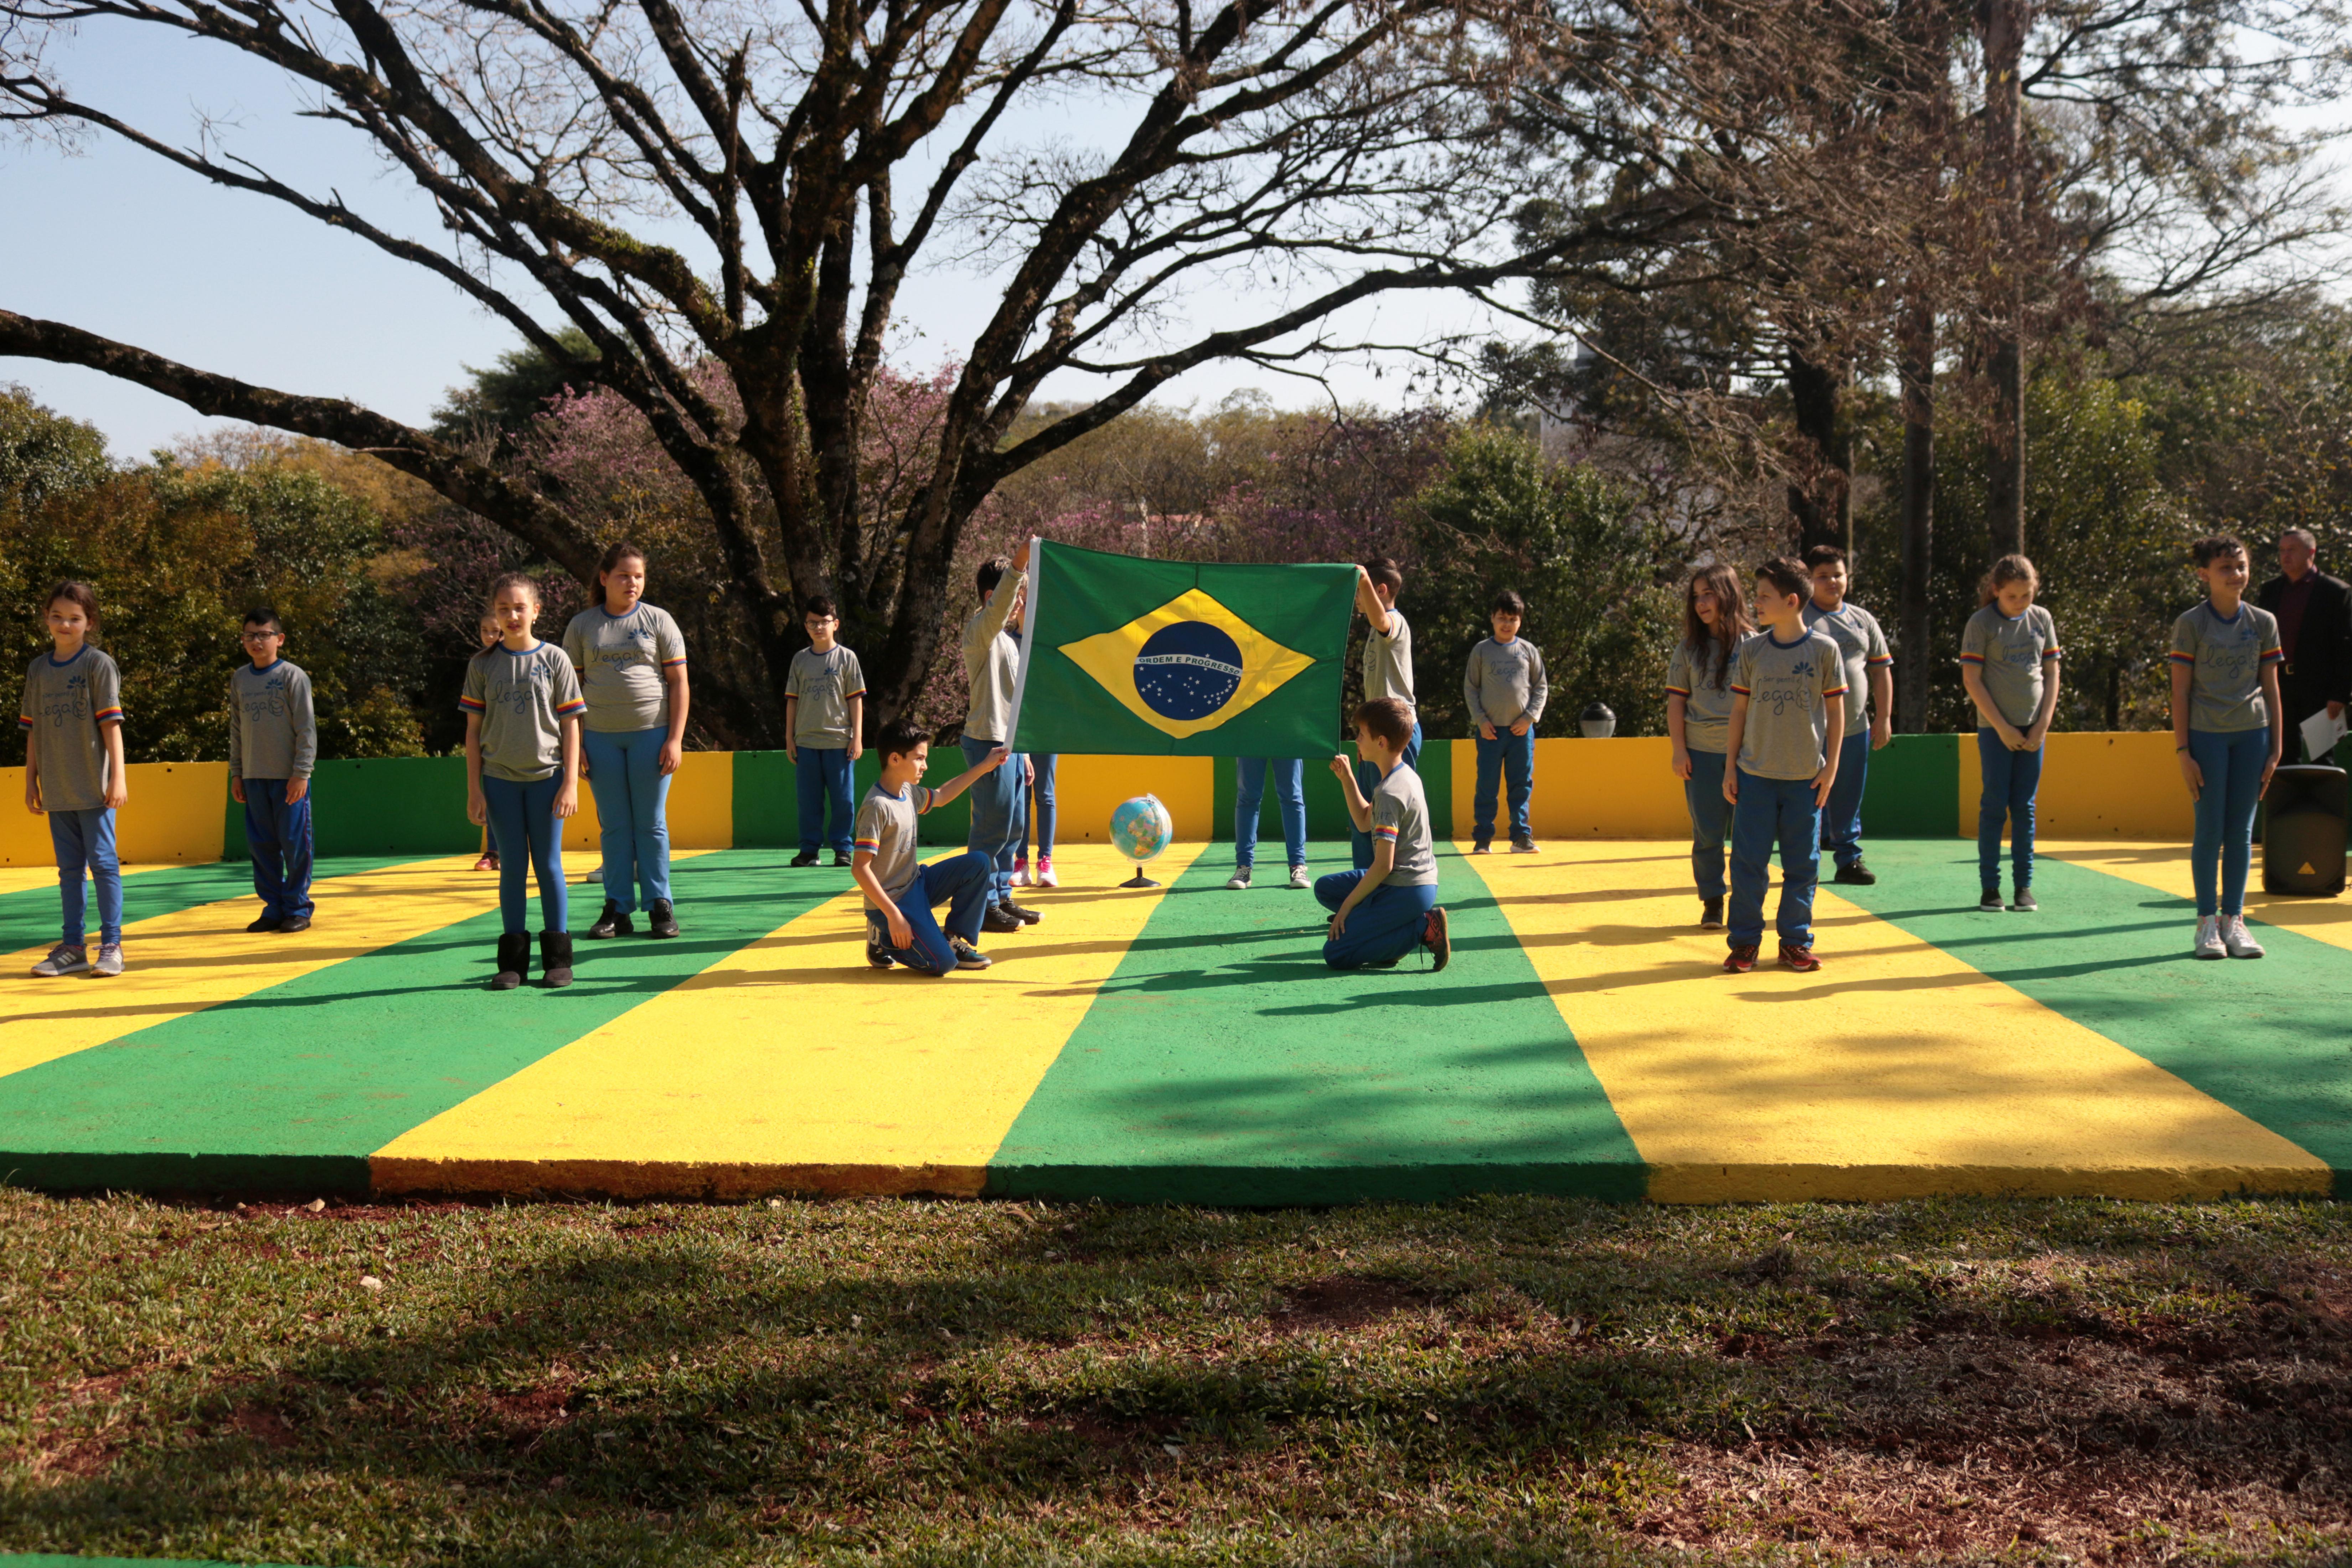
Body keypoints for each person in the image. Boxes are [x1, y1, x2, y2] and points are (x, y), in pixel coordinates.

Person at [1721, 557, 1846, 974]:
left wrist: (1831, 767)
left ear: (1792, 601)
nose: (1756, 603)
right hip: (1755, 777)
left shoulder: (1825, 650)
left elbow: (1837, 712)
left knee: (1803, 866)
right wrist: (1731, 767)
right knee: (1747, 864)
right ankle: (1744, 943)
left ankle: (1795, 942)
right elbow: (1739, 711)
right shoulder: (1752, 649)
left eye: (1764, 596)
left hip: (1805, 780)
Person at [466, 572, 587, 990]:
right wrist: (475, 789)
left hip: (548, 779)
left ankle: (558, 958)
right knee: (513, 867)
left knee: (549, 865)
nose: (512, 615)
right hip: (499, 780)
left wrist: (570, 783)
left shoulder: (555, 659)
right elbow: (473, 731)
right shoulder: (483, 664)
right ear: (495, 614)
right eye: (504, 609)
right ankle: (513, 963)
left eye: (520, 607)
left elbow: (571, 725)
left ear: (536, 610)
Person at [563, 542, 688, 940]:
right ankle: (617, 907)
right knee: (614, 825)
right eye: (623, 575)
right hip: (599, 739)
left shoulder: (659, 620)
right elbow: (569, 693)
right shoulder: (582, 625)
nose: (632, 582)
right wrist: (577, 746)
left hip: (653, 735)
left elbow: (679, 682)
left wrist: (675, 739)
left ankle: (660, 905)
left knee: (651, 823)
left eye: (638, 576)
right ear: (604, 579)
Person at [2172, 535, 2286, 961]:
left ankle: (2234, 921)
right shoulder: (2191, 623)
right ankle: (2206, 923)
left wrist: (2276, 746)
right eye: (2225, 568)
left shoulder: (2263, 621)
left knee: (2241, 832)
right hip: (2206, 737)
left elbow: (2271, 688)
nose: (2236, 574)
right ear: (2205, 575)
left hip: (2253, 736)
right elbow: (2180, 692)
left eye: (2241, 566)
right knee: (2210, 829)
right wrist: (2184, 752)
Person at [21, 582, 129, 979]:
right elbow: (33, 730)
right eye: (57, 617)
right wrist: (31, 781)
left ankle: (112, 945)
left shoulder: (97, 664)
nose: (65, 625)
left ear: (90, 622)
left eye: (75, 618)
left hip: (94, 788)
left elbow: (112, 724)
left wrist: (118, 777)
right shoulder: (38, 669)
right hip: (57, 787)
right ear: (46, 618)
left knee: (104, 864)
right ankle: (72, 948)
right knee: (69, 870)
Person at [853, 717, 1011, 974]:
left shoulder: (907, 791)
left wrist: (985, 766)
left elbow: (941, 796)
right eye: (919, 758)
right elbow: (860, 868)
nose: (925, 766)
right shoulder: (877, 806)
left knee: (979, 863)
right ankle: (883, 937)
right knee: (942, 964)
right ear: (895, 759)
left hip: (917, 884)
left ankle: (953, 938)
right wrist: (894, 917)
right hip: (893, 902)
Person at [1960, 555, 2061, 914]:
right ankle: (1991, 888)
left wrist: (2043, 723)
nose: (2020, 602)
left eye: (2027, 595)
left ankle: (2024, 887)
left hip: (2034, 730)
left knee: (2025, 807)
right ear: (1996, 591)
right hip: (1995, 730)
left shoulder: (2042, 618)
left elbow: (2052, 672)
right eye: (2012, 596)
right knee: (1994, 805)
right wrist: (2002, 727)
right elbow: (1971, 679)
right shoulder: (1981, 623)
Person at [1321, 698, 1450, 971]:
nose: (1357, 740)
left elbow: (1383, 866)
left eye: (1361, 735)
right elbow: (1363, 822)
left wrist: (1347, 907)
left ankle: (1423, 927)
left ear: (1381, 742)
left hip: (1407, 889)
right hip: (1406, 884)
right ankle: (1383, 931)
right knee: (1325, 889)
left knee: (1336, 954)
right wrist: (1348, 780)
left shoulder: (1391, 793)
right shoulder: (1402, 776)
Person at [1799, 545, 1893, 885]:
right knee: (1806, 798)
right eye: (1822, 576)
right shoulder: (1801, 620)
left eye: (1837, 575)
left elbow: (1881, 671)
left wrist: (1883, 718)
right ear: (1809, 581)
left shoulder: (1863, 620)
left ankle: (1849, 859)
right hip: (1810, 730)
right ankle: (1803, 864)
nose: (1832, 582)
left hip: (1855, 727)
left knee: (1849, 796)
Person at [1666, 562, 1750, 931]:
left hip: (1748, 757)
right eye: (1696, 596)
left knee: (1750, 836)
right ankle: (1713, 901)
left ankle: (1746, 902)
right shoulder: (1687, 649)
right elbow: (1676, 702)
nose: (1701, 603)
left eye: (1709, 594)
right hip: (1701, 755)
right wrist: (1679, 750)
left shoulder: (1755, 645)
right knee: (1708, 834)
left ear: (1728, 595)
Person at [227, 607, 317, 935]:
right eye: (250, 635)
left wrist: (302, 773)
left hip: (288, 779)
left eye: (264, 635)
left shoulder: (293, 676)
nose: (256, 641)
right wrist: (237, 772)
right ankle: (273, 907)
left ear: (279, 639)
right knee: (262, 845)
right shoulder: (240, 678)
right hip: (254, 777)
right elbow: (237, 729)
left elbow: (306, 729)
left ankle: (297, 908)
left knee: (295, 844)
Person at [961, 556, 1037, 931]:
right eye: (1016, 596)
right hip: (987, 742)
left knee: (1013, 827)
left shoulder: (1007, 640)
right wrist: (1019, 564)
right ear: (993, 597)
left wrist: (1024, 750)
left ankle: (1002, 895)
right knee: (991, 828)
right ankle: (983, 904)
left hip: (1010, 745)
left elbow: (1016, 699)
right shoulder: (982, 632)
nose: (1020, 603)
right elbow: (1001, 605)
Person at [2253, 526, 2350, 763]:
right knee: (2282, 758)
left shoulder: (2336, 592)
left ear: (2311, 552)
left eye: (2292, 550)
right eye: (2282, 550)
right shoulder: (2270, 590)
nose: (2285, 556)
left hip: (2321, 691)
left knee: (2323, 759)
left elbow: (2347, 646)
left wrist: (2340, 694)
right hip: (2279, 687)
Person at [785, 595, 866, 870]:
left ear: (836, 624)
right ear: (806, 626)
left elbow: (856, 700)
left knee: (843, 800)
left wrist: (857, 737)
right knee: (809, 801)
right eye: (812, 623)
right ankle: (809, 850)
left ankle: (843, 848)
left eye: (824, 622)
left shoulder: (847, 658)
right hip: (806, 742)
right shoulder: (800, 659)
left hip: (839, 742)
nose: (818, 628)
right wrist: (789, 738)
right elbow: (792, 701)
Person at [1465, 588, 1547, 854]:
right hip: (1489, 732)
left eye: (1513, 619)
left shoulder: (1528, 651)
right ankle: (1483, 839)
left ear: (1520, 621)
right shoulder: (1481, 651)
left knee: (1521, 785)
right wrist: (1481, 721)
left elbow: (1541, 688)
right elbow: (1471, 688)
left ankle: (1521, 837)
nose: (1507, 624)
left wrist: (1529, 718)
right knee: (1487, 786)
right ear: (1492, 618)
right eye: (1502, 618)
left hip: (1521, 733)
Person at [1350, 557, 1419, 870]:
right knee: (1365, 814)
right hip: (1376, 732)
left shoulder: (1394, 622)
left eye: (1360, 592)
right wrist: (1364, 735)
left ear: (1380, 590)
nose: (1357, 599)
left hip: (1396, 731)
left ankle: (1400, 883)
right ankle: (1364, 885)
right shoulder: (1374, 632)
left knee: (1392, 814)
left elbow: (1382, 619)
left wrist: (1363, 579)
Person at [1227, 758, 1309, 890]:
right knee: (1247, 797)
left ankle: (1298, 865)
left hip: (1288, 744)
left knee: (1292, 796)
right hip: (1251, 744)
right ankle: (1244, 866)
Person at [471, 612, 500, 873]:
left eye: (496, 631)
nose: (490, 636)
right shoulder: (479, 664)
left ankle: (522, 853)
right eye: (485, 631)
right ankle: (493, 851)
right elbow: (474, 720)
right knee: (494, 802)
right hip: (493, 747)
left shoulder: (540, 657)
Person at [1014, 751, 1058, 888]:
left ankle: (1045, 861)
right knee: (1021, 798)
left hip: (1046, 740)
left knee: (1046, 796)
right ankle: (1021, 861)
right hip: (1020, 740)